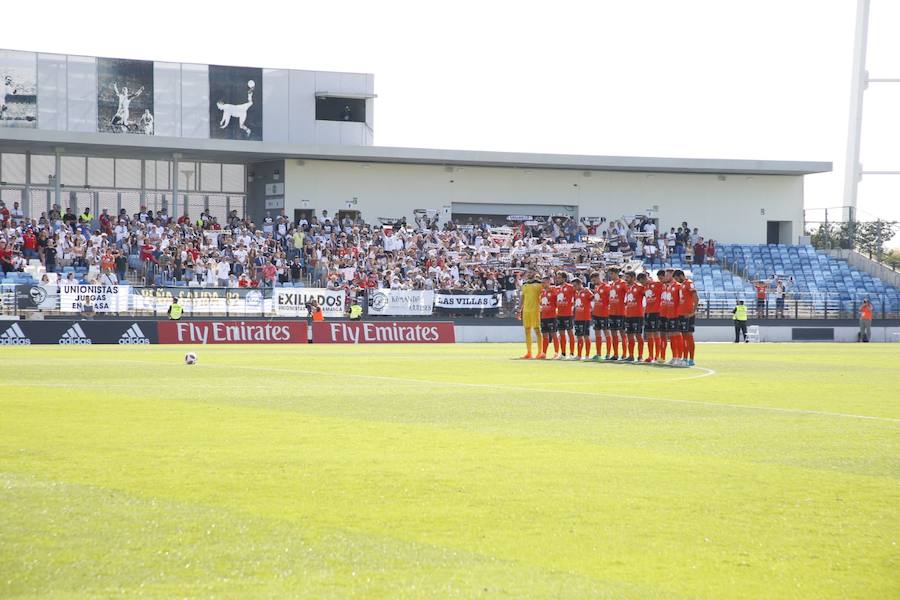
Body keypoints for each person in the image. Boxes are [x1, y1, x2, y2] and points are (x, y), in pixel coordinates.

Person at [673, 269, 698, 366]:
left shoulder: (689, 283)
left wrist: (693, 312)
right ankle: (685, 358)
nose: (676, 280)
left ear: (681, 276)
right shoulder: (682, 285)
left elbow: (696, 297)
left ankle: (691, 359)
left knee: (689, 336)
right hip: (681, 314)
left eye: (676, 278)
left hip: (688, 314)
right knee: (684, 337)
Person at [517, 271, 542, 359]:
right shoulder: (524, 285)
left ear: (535, 274)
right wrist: (519, 309)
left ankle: (540, 352)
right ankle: (529, 352)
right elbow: (522, 298)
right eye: (529, 272)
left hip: (535, 310)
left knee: (537, 330)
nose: (529, 274)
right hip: (526, 311)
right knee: (527, 330)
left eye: (531, 272)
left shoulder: (539, 284)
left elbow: (543, 296)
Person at [622, 271, 645, 362]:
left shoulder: (640, 287)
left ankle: (640, 356)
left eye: (627, 277)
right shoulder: (628, 288)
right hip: (628, 315)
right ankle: (631, 355)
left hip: (637, 315)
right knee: (629, 335)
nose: (626, 279)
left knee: (638, 335)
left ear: (632, 277)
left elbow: (646, 296)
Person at [642, 271, 664, 364]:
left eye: (643, 281)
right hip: (648, 312)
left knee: (656, 334)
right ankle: (650, 356)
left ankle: (657, 356)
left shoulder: (658, 284)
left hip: (657, 312)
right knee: (649, 334)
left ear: (646, 278)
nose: (643, 284)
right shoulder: (645, 287)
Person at [606, 268, 628, 360]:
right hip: (612, 312)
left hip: (621, 312)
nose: (610, 275)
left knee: (622, 333)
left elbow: (629, 294)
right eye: (609, 274)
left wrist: (625, 305)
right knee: (613, 333)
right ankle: (615, 354)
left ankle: (624, 354)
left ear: (615, 273)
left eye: (611, 273)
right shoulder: (610, 285)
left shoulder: (623, 284)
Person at [554, 272, 576, 359]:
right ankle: (563, 354)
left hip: (568, 314)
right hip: (559, 314)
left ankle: (571, 353)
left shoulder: (570, 287)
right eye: (557, 277)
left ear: (563, 278)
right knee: (561, 334)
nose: (557, 279)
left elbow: (578, 294)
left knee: (570, 333)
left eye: (559, 278)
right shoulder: (557, 289)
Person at [589, 271, 609, 361]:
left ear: (599, 278)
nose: (594, 281)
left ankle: (608, 354)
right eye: (592, 280)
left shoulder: (607, 287)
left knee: (606, 333)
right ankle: (598, 353)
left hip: (604, 314)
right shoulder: (596, 288)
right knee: (597, 334)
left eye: (595, 278)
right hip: (596, 314)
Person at [537, 276, 559, 360]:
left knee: (553, 334)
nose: (542, 284)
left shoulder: (553, 290)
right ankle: (544, 353)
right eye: (542, 282)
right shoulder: (542, 292)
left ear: (549, 282)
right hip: (543, 316)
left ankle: (556, 353)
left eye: (544, 282)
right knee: (545, 335)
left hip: (552, 316)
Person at [572, 278, 593, 360]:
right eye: (573, 286)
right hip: (577, 317)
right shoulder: (576, 293)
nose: (574, 287)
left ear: (580, 284)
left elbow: (592, 297)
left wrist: (588, 290)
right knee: (579, 336)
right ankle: (579, 355)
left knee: (586, 336)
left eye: (575, 285)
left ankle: (587, 355)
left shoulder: (586, 291)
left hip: (585, 317)